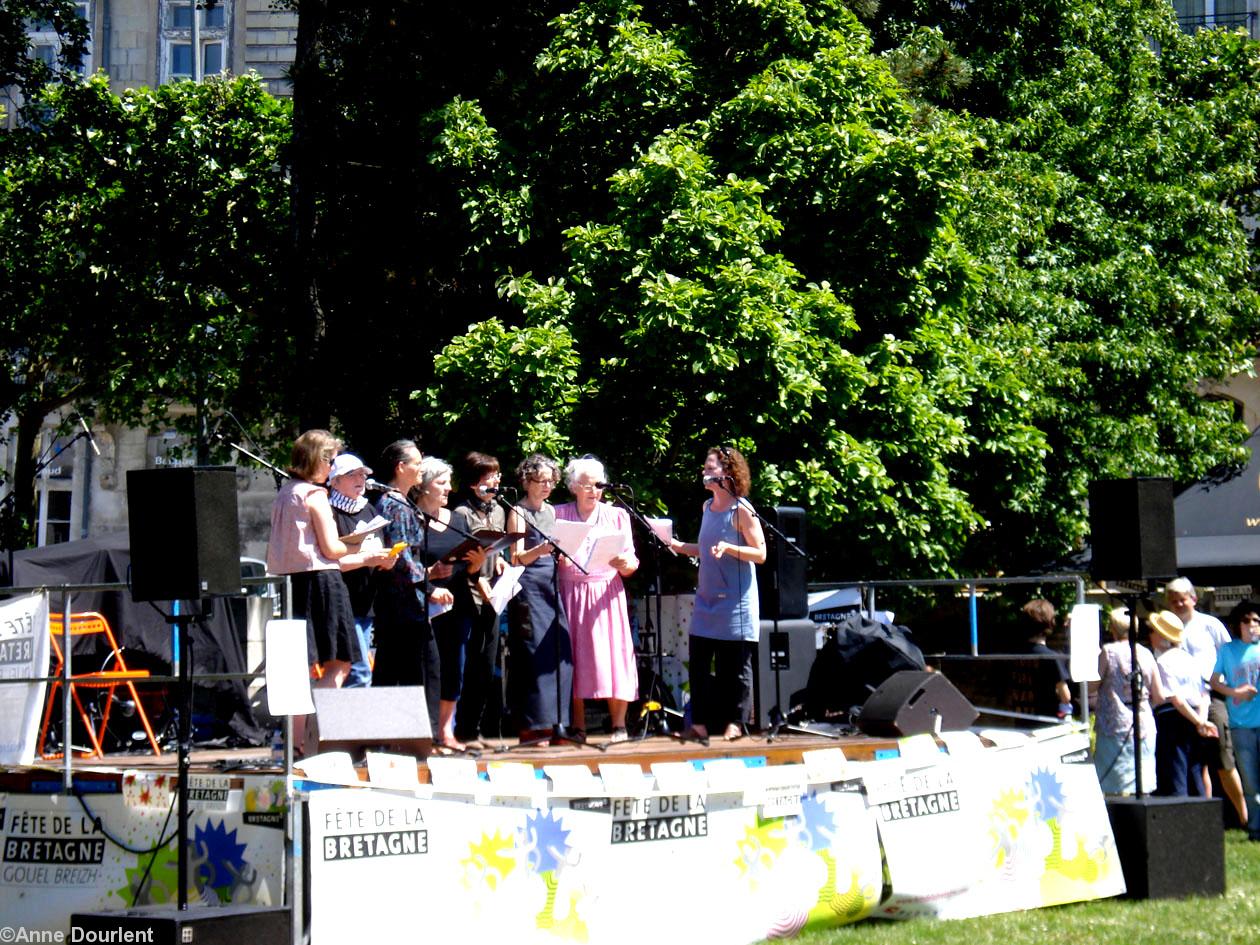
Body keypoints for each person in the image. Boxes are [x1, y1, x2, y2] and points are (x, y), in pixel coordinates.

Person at [266, 429, 357, 751]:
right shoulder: (314, 495)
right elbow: (332, 548)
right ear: (319, 460)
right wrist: (361, 547)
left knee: (300, 664)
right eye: (331, 461)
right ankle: (319, 735)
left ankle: (296, 742)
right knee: (339, 661)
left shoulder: (285, 493)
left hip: (292, 582)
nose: (333, 468)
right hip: (322, 582)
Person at [669, 446, 766, 741]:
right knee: (698, 663)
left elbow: (760, 553)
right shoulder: (706, 507)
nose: (704, 472)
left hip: (735, 603)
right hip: (707, 601)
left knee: (734, 669)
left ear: (728, 473)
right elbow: (706, 550)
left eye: (710, 468)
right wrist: (677, 546)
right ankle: (698, 725)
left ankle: (735, 723)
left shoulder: (742, 510)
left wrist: (730, 548)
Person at [371, 439, 454, 740]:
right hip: (403, 605)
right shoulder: (393, 505)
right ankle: (418, 736)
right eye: (417, 463)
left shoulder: (400, 503)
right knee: (420, 669)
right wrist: (428, 586)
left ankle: (405, 736)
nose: (421, 468)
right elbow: (401, 555)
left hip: (406, 604)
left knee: (402, 671)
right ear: (400, 467)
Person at [556, 456, 639, 743]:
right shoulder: (559, 514)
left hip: (606, 592)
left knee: (614, 656)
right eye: (587, 485)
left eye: (599, 485)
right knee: (574, 658)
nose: (594, 491)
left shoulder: (618, 516)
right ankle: (578, 726)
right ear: (573, 486)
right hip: (572, 592)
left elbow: (631, 562)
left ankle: (619, 725)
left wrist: (624, 563)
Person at [411, 456, 487, 752]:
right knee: (428, 669)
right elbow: (407, 564)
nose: (448, 488)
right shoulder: (412, 517)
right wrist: (429, 576)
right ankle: (425, 733)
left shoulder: (457, 518)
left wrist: (476, 564)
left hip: (458, 603)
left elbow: (470, 567)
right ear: (424, 486)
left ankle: (446, 732)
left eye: (448, 482)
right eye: (441, 483)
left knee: (454, 667)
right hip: (424, 605)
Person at [1166, 576, 1247, 825]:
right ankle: (1206, 819)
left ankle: (1246, 817)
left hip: (1211, 698)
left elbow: (1231, 655)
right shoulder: (1166, 626)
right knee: (1196, 762)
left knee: (1223, 758)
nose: (1179, 604)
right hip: (1180, 701)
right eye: (1174, 601)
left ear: (1193, 599)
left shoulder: (1209, 624)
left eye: (1183, 599)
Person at [506, 453, 573, 742]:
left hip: (552, 583)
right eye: (541, 480)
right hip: (529, 585)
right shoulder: (517, 512)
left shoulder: (553, 512)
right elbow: (516, 557)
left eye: (551, 481)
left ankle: (558, 721)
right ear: (526, 481)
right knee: (533, 653)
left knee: (560, 650)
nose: (546, 486)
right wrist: (541, 550)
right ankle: (533, 725)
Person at [449, 452, 508, 746]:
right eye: (489, 477)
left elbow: (497, 549)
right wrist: (475, 573)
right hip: (467, 594)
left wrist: (500, 562)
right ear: (474, 483)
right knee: (467, 664)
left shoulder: (499, 510)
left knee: (487, 665)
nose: (495, 481)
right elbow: (457, 557)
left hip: (492, 595)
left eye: (497, 475)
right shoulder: (461, 513)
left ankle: (477, 727)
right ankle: (462, 730)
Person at [326, 453, 395, 688]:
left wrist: (386, 559)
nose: (360, 479)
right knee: (359, 672)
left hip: (367, 603)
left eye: (362, 474)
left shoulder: (369, 510)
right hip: (344, 602)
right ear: (334, 481)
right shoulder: (328, 513)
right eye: (352, 475)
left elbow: (378, 546)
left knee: (357, 671)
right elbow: (329, 563)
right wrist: (365, 559)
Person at [1092, 605, 1162, 794]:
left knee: (1111, 784)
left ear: (1113, 629)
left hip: (1113, 724)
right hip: (1143, 724)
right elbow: (1159, 695)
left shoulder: (1109, 652)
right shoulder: (1146, 653)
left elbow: (1092, 686)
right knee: (1142, 782)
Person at [1149, 609, 1217, 796]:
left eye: (1153, 632)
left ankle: (1180, 820)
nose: (1150, 635)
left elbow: (1176, 699)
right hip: (1194, 716)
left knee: (1176, 772)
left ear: (1163, 637)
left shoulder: (1162, 662)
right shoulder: (1191, 660)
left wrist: (1199, 722)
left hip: (1172, 720)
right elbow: (1204, 695)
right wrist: (1200, 721)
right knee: (1195, 771)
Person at [1210, 601, 1260, 841]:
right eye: (1246, 621)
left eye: (1256, 621)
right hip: (1241, 725)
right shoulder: (1227, 651)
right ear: (1237, 624)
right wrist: (1236, 693)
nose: (1252, 626)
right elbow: (1214, 681)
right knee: (1250, 781)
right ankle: (1255, 829)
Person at [1018, 599, 1072, 719]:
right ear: (1050, 623)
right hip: (1046, 723)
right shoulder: (1051, 657)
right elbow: (1065, 696)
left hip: (1020, 719)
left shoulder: (1015, 654)